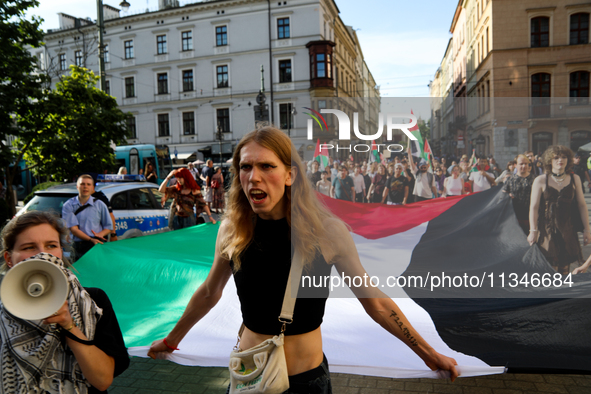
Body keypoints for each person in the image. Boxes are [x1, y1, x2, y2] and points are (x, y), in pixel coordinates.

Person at [147, 126, 459, 393]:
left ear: (289, 175)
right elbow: (209, 293)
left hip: (306, 383)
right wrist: (171, 340)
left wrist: (428, 354)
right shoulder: (232, 229)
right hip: (248, 378)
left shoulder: (327, 232)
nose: (253, 177)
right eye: (245, 167)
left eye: (266, 166)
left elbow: (374, 302)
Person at [0, 211, 129, 393]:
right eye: (29, 247)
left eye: (51, 245)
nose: (42, 254)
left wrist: (69, 325)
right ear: (9, 259)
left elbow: (102, 380)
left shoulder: (94, 302)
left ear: (61, 251)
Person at [528, 146, 591, 275]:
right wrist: (533, 231)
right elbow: (533, 207)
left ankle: (563, 293)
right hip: (547, 229)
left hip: (567, 228)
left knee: (564, 269)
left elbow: (582, 205)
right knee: (549, 269)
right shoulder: (540, 180)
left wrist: (587, 230)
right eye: (556, 157)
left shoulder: (575, 179)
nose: (560, 160)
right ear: (549, 161)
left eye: (563, 157)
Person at [62, 175, 112, 260]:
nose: (85, 187)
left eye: (88, 184)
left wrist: (100, 234)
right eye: (82, 184)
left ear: (92, 188)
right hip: (78, 246)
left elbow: (108, 227)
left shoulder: (100, 204)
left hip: (96, 245)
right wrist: (90, 239)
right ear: (77, 187)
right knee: (78, 272)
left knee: (97, 271)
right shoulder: (68, 205)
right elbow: (74, 230)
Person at [502, 155, 532, 234]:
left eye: (526, 163)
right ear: (515, 165)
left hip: (530, 216)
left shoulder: (535, 179)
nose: (524, 166)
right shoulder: (510, 179)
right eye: (521, 164)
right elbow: (502, 195)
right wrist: (507, 196)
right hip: (514, 217)